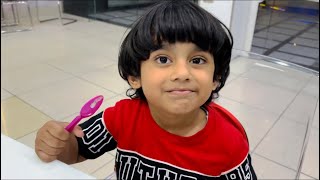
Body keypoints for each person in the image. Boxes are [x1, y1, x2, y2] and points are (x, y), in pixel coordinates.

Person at [35, 0, 257, 179]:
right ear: (135, 77)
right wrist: (56, 143)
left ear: (215, 78)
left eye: (197, 60)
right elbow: (77, 151)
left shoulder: (229, 144)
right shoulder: (122, 116)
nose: (182, 73)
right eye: (163, 59)